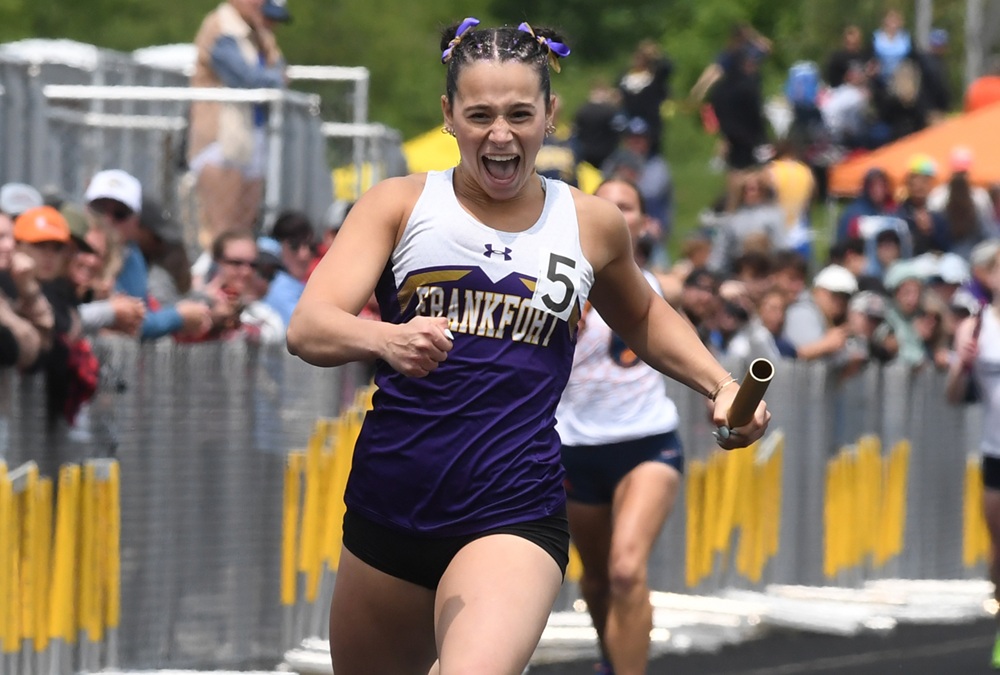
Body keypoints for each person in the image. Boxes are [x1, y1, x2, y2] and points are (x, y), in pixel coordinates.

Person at [285, 18, 770, 675]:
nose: (501, 134)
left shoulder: (590, 222)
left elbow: (645, 314)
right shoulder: (397, 205)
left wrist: (719, 383)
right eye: (480, 114)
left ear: (551, 114)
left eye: (519, 113)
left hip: (513, 509)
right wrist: (385, 337)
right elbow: (308, 324)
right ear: (449, 115)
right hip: (389, 506)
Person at [555, 179, 684, 675]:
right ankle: (612, 662)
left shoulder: (653, 286)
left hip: (646, 444)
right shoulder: (563, 283)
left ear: (643, 221)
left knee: (627, 570)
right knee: (595, 580)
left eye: (625, 206)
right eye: (604, 204)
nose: (614, 213)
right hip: (574, 447)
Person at [188, 0, 287, 247]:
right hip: (220, 143)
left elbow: (278, 68)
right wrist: (275, 78)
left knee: (241, 230)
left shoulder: (253, 31)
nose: (262, 3)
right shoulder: (220, 26)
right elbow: (247, 78)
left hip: (245, 142)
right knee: (222, 232)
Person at [944, 242, 1000, 668]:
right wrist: (963, 367)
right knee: (999, 549)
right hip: (994, 447)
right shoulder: (976, 328)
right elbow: (953, 396)